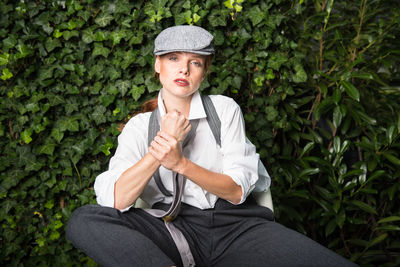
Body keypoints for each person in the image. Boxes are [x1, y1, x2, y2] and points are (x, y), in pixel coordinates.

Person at [66, 25, 357, 267]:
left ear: (204, 72)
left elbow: (237, 190)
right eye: (174, 59)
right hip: (173, 227)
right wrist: (161, 149)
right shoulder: (139, 127)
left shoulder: (224, 110)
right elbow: (116, 200)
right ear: (157, 64)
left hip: (237, 227)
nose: (184, 69)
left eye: (195, 63)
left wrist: (181, 163)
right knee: (84, 219)